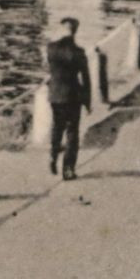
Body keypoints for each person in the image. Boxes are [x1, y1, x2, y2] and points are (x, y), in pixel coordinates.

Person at [46, 18, 93, 179]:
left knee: (57, 127)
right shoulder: (79, 53)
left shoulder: (51, 49)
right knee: (72, 132)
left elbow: (51, 71)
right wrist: (87, 101)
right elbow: (86, 79)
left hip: (55, 95)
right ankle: (68, 169)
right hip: (73, 96)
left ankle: (53, 155)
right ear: (75, 31)